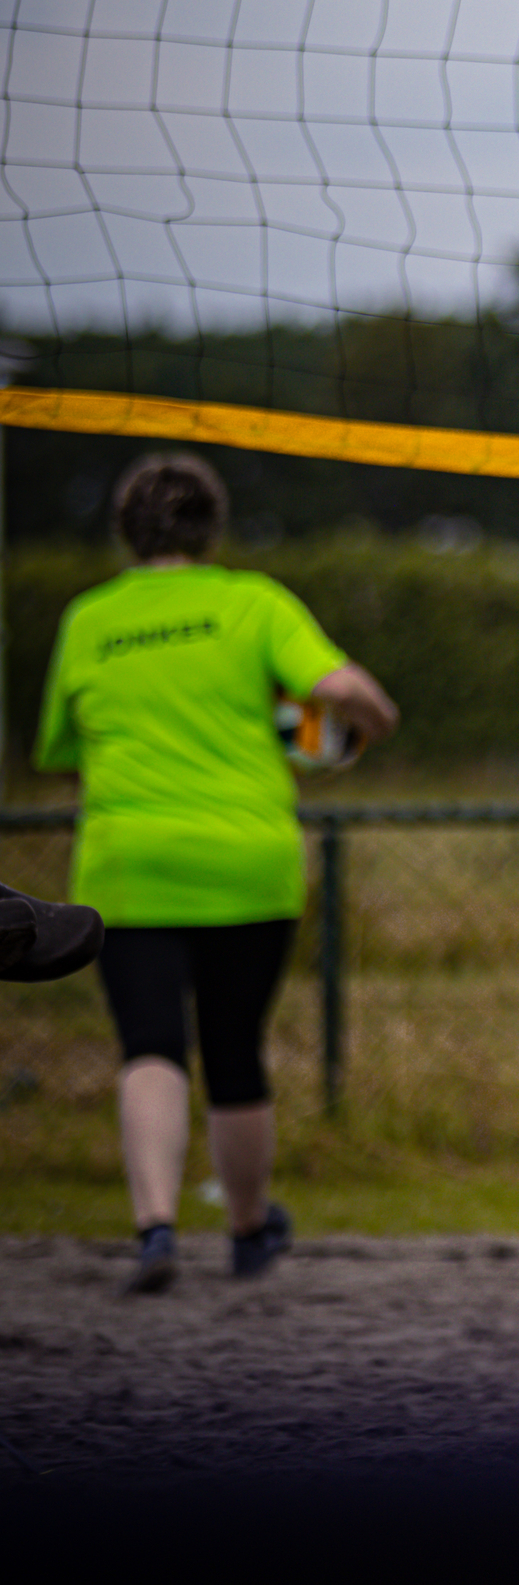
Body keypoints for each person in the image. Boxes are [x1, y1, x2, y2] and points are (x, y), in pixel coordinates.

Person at [34, 453, 399, 1293]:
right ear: (213, 528)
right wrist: (361, 731)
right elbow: (352, 692)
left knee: (150, 1047)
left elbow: (57, 751)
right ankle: (245, 1232)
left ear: (125, 531)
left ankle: (156, 1229)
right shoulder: (253, 603)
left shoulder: (90, 618)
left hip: (132, 861)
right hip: (247, 858)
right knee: (237, 1053)